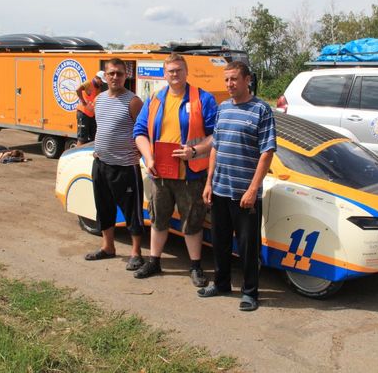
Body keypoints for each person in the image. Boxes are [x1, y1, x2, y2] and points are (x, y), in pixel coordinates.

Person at [133, 53, 218, 287]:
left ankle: (195, 266)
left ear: (186, 71)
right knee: (158, 219)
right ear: (164, 73)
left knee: (192, 222)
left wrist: (196, 150)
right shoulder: (155, 99)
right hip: (160, 173)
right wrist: (148, 158)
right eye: (170, 70)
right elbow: (139, 131)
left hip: (190, 175)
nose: (175, 74)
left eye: (179, 70)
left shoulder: (203, 99)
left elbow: (216, 135)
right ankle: (154, 261)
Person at [198, 61, 276, 312]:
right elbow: (216, 147)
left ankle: (250, 292)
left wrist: (253, 189)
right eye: (226, 80)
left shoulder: (262, 110)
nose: (229, 84)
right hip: (220, 188)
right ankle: (221, 285)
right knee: (219, 242)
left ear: (247, 79)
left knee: (247, 247)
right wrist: (209, 182)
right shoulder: (223, 108)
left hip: (245, 194)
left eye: (233, 79)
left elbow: (267, 152)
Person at [84, 58, 145, 271]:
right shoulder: (99, 99)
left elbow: (144, 130)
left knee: (131, 212)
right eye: (111, 73)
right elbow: (99, 126)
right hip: (101, 163)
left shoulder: (133, 101)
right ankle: (108, 247)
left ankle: (136, 253)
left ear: (125, 76)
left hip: (125, 166)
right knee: (104, 207)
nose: (115, 77)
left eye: (119, 73)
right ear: (105, 75)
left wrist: (142, 150)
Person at [75, 74, 103, 145]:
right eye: (101, 81)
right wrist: (83, 102)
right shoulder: (88, 83)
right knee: (82, 138)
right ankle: (78, 155)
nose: (102, 83)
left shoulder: (98, 88)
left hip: (91, 115)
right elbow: (78, 90)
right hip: (83, 114)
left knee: (93, 138)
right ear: (97, 78)